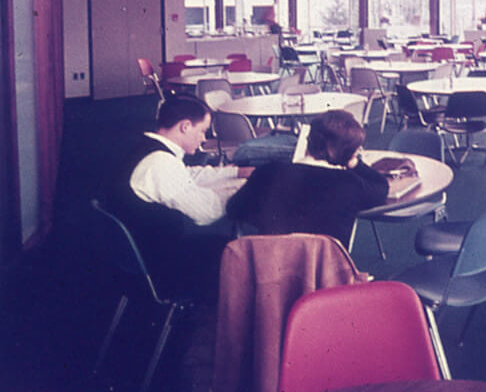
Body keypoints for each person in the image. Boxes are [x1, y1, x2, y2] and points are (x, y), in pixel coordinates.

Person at [104, 93, 252, 299]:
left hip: (140, 251)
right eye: (202, 131)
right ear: (185, 126)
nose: (203, 138)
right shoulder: (160, 164)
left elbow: (188, 176)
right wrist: (245, 190)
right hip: (160, 264)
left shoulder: (150, 150)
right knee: (241, 252)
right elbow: (207, 213)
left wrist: (235, 173)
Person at [226, 110, 388, 246]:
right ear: (349, 154)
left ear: (308, 140)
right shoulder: (350, 183)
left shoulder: (269, 170)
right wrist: (354, 163)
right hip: (324, 275)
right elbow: (381, 188)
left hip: (268, 269)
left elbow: (234, 209)